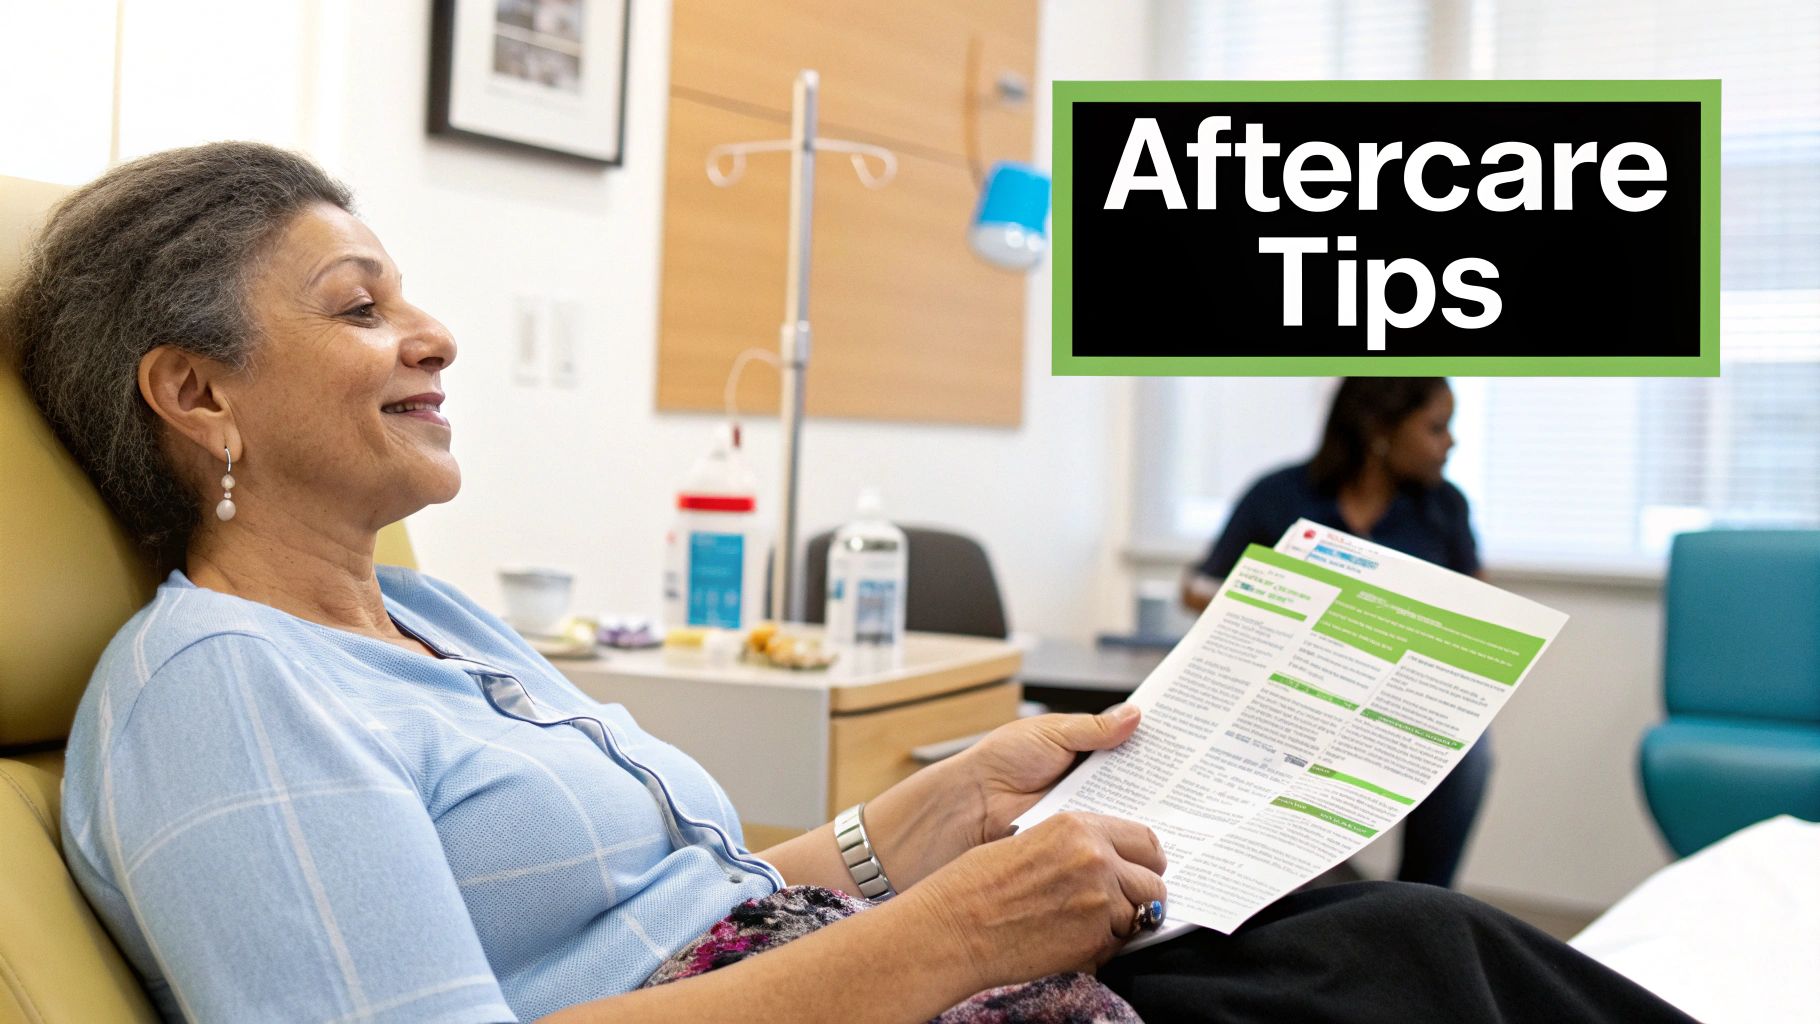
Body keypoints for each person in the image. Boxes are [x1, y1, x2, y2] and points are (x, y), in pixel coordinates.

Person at [5, 142, 1690, 1023]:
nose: (433, 331)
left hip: (851, 969)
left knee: (1358, 924)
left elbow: (684, 896)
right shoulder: (224, 686)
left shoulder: (423, 618)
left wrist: (936, 817)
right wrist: (932, 939)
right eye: (361, 305)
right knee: (1410, 959)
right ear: (198, 391)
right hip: (874, 998)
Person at [1182, 377, 1489, 888]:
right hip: (1293, 695)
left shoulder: (1444, 508)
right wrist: (1283, 602)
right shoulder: (1279, 495)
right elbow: (1198, 586)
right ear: (1381, 431)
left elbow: (1477, 609)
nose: (1450, 443)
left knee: (1470, 749)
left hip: (1400, 701)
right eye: (1436, 428)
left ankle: (1423, 901)